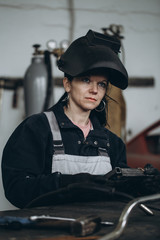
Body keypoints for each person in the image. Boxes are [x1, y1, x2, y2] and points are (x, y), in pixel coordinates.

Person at [1, 30, 128, 208]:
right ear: (67, 84)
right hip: (50, 230)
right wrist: (66, 184)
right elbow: (16, 188)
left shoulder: (112, 143)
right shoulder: (36, 129)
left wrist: (140, 184)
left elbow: (123, 197)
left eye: (101, 84)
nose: (94, 90)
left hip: (101, 230)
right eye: (86, 80)